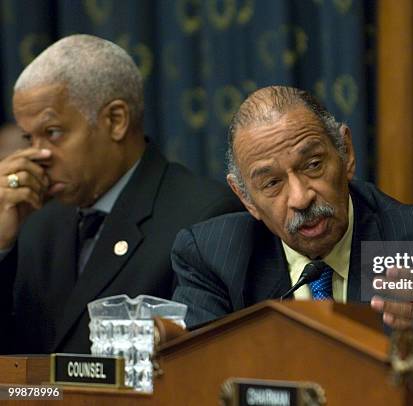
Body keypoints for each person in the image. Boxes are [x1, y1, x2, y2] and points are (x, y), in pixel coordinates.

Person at [0, 34, 242, 354]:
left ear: (116, 120)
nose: (37, 155)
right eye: (29, 138)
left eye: (52, 133)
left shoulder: (205, 218)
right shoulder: (32, 220)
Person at [171, 85, 413, 328]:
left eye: (313, 165)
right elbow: (198, 375)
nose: (300, 198)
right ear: (245, 198)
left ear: (346, 153)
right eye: (272, 183)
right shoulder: (213, 257)